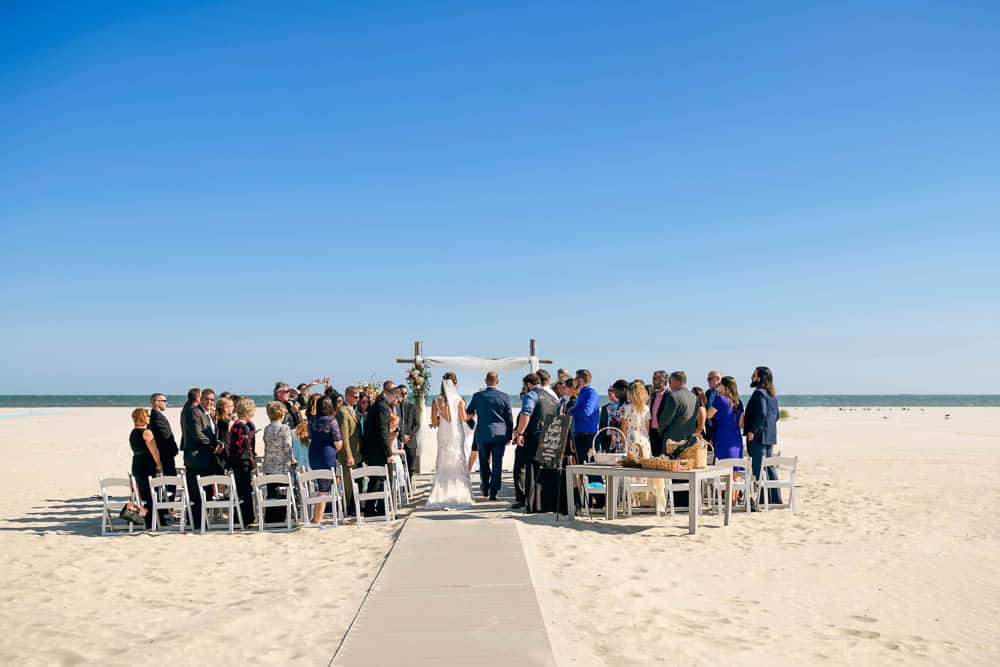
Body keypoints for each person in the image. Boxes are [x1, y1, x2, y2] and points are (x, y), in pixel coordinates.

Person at [511, 373, 560, 512]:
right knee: (542, 470)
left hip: (533, 435)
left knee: (521, 467)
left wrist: (519, 433)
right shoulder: (553, 397)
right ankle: (541, 501)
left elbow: (526, 413)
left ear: (528, 384)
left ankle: (522, 499)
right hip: (549, 436)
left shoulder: (532, 395)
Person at [465, 371, 514, 501]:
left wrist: (472, 425)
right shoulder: (505, 397)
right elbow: (509, 418)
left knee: (484, 462)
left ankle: (485, 487)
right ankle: (494, 491)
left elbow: (468, 413)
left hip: (483, 433)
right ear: (497, 382)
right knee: (498, 463)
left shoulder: (478, 396)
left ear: (486, 381)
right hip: (500, 434)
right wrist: (509, 435)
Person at [427, 374, 474, 509]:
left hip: (443, 433)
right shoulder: (459, 400)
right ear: (455, 384)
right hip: (457, 434)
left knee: (443, 458)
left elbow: (435, 422)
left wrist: (440, 417)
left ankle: (441, 491)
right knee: (457, 459)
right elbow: (464, 418)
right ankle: (459, 491)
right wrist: (473, 414)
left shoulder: (436, 401)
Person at [621, 381, 665, 513]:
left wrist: (624, 441)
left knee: (632, 467)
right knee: (644, 468)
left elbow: (624, 426)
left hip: (632, 438)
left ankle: (633, 499)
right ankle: (645, 498)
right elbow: (647, 427)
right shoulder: (646, 408)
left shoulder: (628, 408)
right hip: (644, 440)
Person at [745, 366, 781, 507]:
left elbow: (762, 413)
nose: (751, 377)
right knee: (769, 467)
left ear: (760, 378)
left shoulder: (759, 393)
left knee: (759, 468)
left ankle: (763, 499)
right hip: (769, 436)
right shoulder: (772, 395)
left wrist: (752, 430)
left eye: (754, 375)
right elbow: (776, 416)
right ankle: (773, 499)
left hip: (759, 437)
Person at [181, 387, 217, 529]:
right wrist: (214, 444)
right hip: (196, 458)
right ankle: (196, 522)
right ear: (200, 399)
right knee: (196, 493)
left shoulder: (208, 414)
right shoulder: (194, 412)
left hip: (207, 459)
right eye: (206, 399)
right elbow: (197, 434)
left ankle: (203, 520)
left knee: (206, 492)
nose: (209, 402)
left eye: (212, 400)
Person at [361, 386, 399, 516]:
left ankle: (375, 509)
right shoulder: (382, 406)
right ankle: (374, 509)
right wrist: (388, 453)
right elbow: (383, 432)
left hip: (372, 449)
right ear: (392, 395)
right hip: (378, 450)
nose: (395, 400)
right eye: (395, 397)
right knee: (380, 479)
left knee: (376, 480)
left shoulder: (377, 404)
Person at [308, 396, 344, 523]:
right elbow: (338, 443)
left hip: (313, 453)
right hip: (327, 454)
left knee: (321, 485)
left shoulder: (312, 420)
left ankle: (315, 516)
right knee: (324, 488)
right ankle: (317, 518)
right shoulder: (332, 421)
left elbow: (310, 438)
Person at [262, 400, 296, 523]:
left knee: (271, 492)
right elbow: (287, 445)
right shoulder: (285, 428)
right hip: (281, 465)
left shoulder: (267, 428)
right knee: (282, 492)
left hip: (269, 465)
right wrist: (292, 458)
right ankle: (280, 518)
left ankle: (270, 519)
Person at [147, 393, 178, 521]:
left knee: (169, 482)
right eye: (164, 400)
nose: (166, 403)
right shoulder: (156, 416)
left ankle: (166, 509)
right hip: (165, 454)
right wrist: (173, 449)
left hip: (166, 454)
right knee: (170, 482)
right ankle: (166, 509)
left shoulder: (156, 416)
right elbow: (165, 436)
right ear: (155, 402)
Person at [227, 398, 257, 527]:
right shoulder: (243, 427)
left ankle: (239, 517)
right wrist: (252, 461)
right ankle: (246, 518)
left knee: (240, 490)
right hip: (242, 462)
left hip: (235, 461)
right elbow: (246, 447)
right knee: (245, 490)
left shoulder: (235, 425)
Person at [129, 408, 161, 529]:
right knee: (150, 494)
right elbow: (154, 451)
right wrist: (159, 464)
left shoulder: (133, 432)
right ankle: (150, 521)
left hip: (136, 462)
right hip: (146, 463)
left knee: (142, 493)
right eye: (147, 416)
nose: (149, 418)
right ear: (143, 418)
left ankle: (142, 518)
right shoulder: (147, 432)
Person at [337, 386, 363, 509]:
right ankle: (348, 507)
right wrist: (348, 455)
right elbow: (344, 436)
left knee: (356, 481)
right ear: (347, 396)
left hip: (357, 453)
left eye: (358, 397)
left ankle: (354, 506)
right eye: (355, 397)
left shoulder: (353, 410)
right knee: (348, 483)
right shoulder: (342, 411)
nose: (358, 399)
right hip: (349, 454)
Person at [707, 376, 744, 461]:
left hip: (723, 436)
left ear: (725, 386)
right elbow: (740, 423)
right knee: (736, 466)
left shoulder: (720, 399)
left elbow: (709, 415)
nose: (718, 386)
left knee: (722, 466)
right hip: (736, 437)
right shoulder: (739, 402)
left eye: (720, 384)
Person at [568, 369, 600, 464]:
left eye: (576, 378)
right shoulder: (582, 393)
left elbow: (586, 411)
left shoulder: (591, 392)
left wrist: (571, 410)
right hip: (580, 436)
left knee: (592, 471)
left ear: (580, 380)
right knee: (582, 469)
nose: (574, 381)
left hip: (588, 437)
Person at [398, 385, 419, 481]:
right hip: (398, 441)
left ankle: (408, 486)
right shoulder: (394, 407)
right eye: (401, 393)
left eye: (405, 393)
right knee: (399, 468)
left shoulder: (412, 407)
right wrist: (401, 437)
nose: (403, 395)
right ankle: (401, 489)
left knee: (411, 467)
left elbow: (417, 424)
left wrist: (408, 436)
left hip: (411, 442)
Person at [648, 370, 668, 456]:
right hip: (652, 431)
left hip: (663, 432)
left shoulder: (669, 396)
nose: (653, 381)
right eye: (653, 378)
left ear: (663, 381)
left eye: (655, 379)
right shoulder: (653, 395)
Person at [215, 396, 235, 471]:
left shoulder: (216, 419)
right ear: (225, 408)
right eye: (231, 406)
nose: (233, 408)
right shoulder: (228, 422)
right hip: (226, 452)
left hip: (218, 452)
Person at [705, 369, 722, 442]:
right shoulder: (708, 392)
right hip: (709, 427)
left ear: (718, 379)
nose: (708, 381)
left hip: (719, 426)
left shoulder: (724, 392)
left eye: (709, 379)